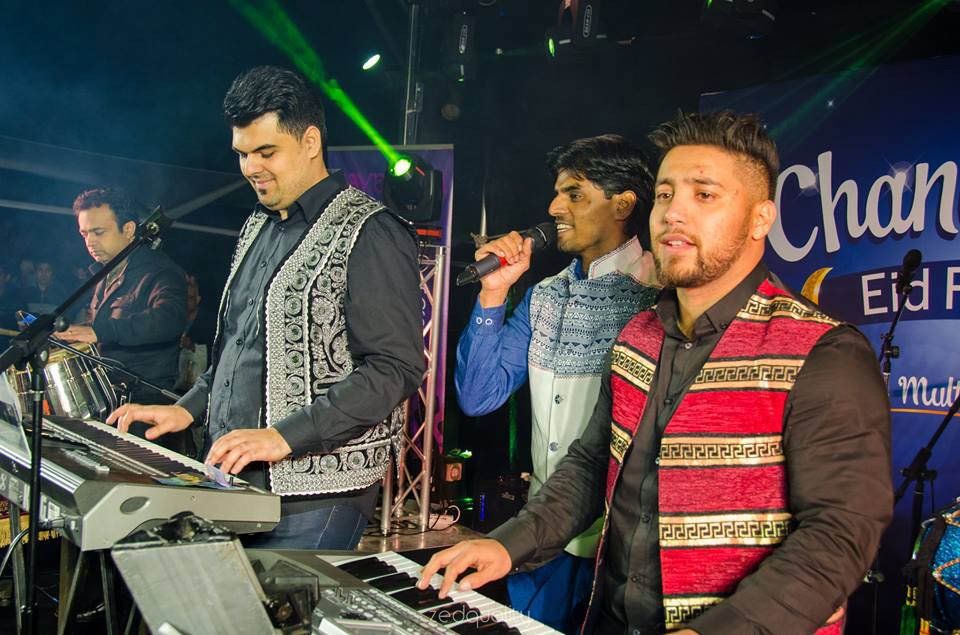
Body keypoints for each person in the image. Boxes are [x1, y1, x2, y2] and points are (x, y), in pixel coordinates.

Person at [420, 111, 893, 634]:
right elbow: (593, 464)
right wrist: (507, 544)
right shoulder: (638, 336)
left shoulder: (823, 352)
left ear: (761, 219)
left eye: (704, 195)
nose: (674, 213)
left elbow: (840, 532)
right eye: (666, 195)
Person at [106, 65, 425, 550]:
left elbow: (396, 368)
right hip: (237, 479)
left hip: (317, 493)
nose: (251, 167)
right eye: (242, 154)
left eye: (266, 152)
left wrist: (284, 437)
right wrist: (186, 411)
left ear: (311, 141)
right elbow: (240, 349)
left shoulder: (370, 230)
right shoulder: (257, 224)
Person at [455, 134, 658, 631]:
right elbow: (478, 396)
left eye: (575, 193)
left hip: (620, 552)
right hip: (543, 539)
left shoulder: (659, 296)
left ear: (623, 203)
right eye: (557, 192)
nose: (553, 207)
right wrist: (493, 293)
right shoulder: (544, 296)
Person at [59, 188, 190, 454]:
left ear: (129, 229)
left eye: (99, 232)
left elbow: (170, 318)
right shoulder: (104, 275)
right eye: (84, 234)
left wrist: (100, 331)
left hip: (145, 409)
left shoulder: (160, 271)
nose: (90, 242)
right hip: (111, 403)